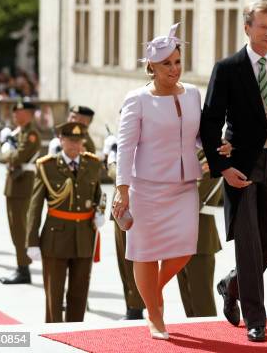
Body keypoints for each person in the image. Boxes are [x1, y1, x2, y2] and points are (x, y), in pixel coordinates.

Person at [200, 2, 267, 342]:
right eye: (262, 26)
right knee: (247, 242)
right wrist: (222, 167)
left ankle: (231, 284)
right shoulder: (228, 68)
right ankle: (256, 318)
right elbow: (209, 122)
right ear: (246, 28)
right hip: (241, 167)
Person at [112, 23, 230, 340]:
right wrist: (122, 189)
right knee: (146, 252)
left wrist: (218, 146)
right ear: (151, 66)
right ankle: (154, 313)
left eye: (177, 62)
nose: (174, 69)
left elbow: (196, 138)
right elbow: (125, 147)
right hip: (146, 187)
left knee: (183, 249)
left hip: (184, 185)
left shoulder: (192, 94)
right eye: (167, 64)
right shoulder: (136, 99)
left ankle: (153, 292)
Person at [25, 122, 104, 322]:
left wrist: (100, 211)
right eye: (70, 140)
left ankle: (75, 333)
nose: (74, 145)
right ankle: (53, 334)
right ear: (61, 140)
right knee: (54, 294)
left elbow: (98, 194)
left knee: (79, 293)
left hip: (84, 236)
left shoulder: (92, 164)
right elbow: (35, 207)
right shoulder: (47, 166)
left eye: (78, 141)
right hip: (56, 237)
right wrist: (31, 241)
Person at [0, 99, 42, 285]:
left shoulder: (31, 134)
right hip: (14, 184)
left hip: (23, 184)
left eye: (19, 112)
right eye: (14, 112)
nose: (15, 114)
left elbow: (18, 157)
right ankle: (21, 266)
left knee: (20, 228)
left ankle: (23, 269)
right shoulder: (19, 133)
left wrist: (6, 151)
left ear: (29, 114)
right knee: (14, 227)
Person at [104, 131, 146, 320]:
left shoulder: (141, 144)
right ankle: (131, 305)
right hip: (120, 211)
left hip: (133, 210)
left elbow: (120, 173)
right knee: (123, 262)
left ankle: (136, 307)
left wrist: (112, 159)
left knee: (132, 261)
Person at [176, 149, 223, 317]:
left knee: (202, 301)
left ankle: (213, 340)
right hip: (179, 235)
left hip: (199, 237)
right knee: (188, 299)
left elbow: (194, 197)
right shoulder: (186, 153)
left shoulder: (212, 156)